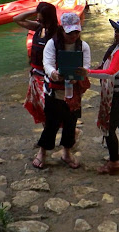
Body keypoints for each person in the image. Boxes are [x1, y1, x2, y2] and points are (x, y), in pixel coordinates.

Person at [77, 15, 119, 176]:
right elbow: (109, 66)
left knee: (109, 129)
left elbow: (111, 72)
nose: (115, 33)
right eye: (115, 30)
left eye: (118, 31)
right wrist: (98, 67)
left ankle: (113, 164)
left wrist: (89, 72)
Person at [41, 12, 91, 169]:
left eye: (77, 32)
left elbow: (87, 66)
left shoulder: (83, 46)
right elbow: (47, 64)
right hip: (54, 91)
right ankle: (42, 152)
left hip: (73, 92)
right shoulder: (52, 44)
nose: (74, 35)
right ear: (62, 30)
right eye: (70, 32)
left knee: (71, 123)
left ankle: (66, 152)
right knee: (51, 124)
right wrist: (54, 74)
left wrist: (81, 74)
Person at [13, 2, 59, 169]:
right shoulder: (39, 28)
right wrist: (35, 10)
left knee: (48, 112)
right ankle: (55, 136)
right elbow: (16, 18)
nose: (37, 17)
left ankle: (43, 151)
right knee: (40, 111)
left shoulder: (56, 32)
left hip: (48, 79)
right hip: (35, 76)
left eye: (40, 15)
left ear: (47, 17)